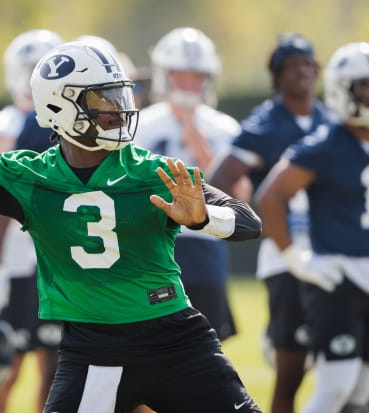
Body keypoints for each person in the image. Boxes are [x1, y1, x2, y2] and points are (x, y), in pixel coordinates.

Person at [0, 40, 263, 412]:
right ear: (59, 105)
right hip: (94, 347)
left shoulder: (150, 170)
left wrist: (204, 217)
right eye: (103, 99)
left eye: (119, 96)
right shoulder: (28, 176)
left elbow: (247, 220)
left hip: (175, 339)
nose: (118, 109)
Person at [256, 41, 369, 413]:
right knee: (336, 386)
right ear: (343, 90)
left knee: (363, 389)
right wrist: (296, 258)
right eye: (367, 87)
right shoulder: (323, 145)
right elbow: (271, 197)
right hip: (336, 277)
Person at [209, 33, 332, 413]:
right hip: (286, 251)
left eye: (310, 63)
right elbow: (219, 179)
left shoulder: (330, 119)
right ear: (278, 74)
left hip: (334, 248)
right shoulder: (266, 122)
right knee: (291, 371)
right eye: (295, 64)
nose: (305, 71)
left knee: (345, 366)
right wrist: (250, 214)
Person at [0, 29, 64, 413]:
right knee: (6, 365)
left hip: (53, 262)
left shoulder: (63, 121)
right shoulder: (2, 124)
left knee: (55, 366)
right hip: (14, 261)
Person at [135, 27, 241, 342]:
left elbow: (241, 197)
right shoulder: (141, 124)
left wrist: (199, 145)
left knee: (209, 346)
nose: (188, 84)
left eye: (195, 76)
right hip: (153, 244)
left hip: (206, 243)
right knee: (151, 345)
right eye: (180, 75)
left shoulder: (223, 128)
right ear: (164, 75)